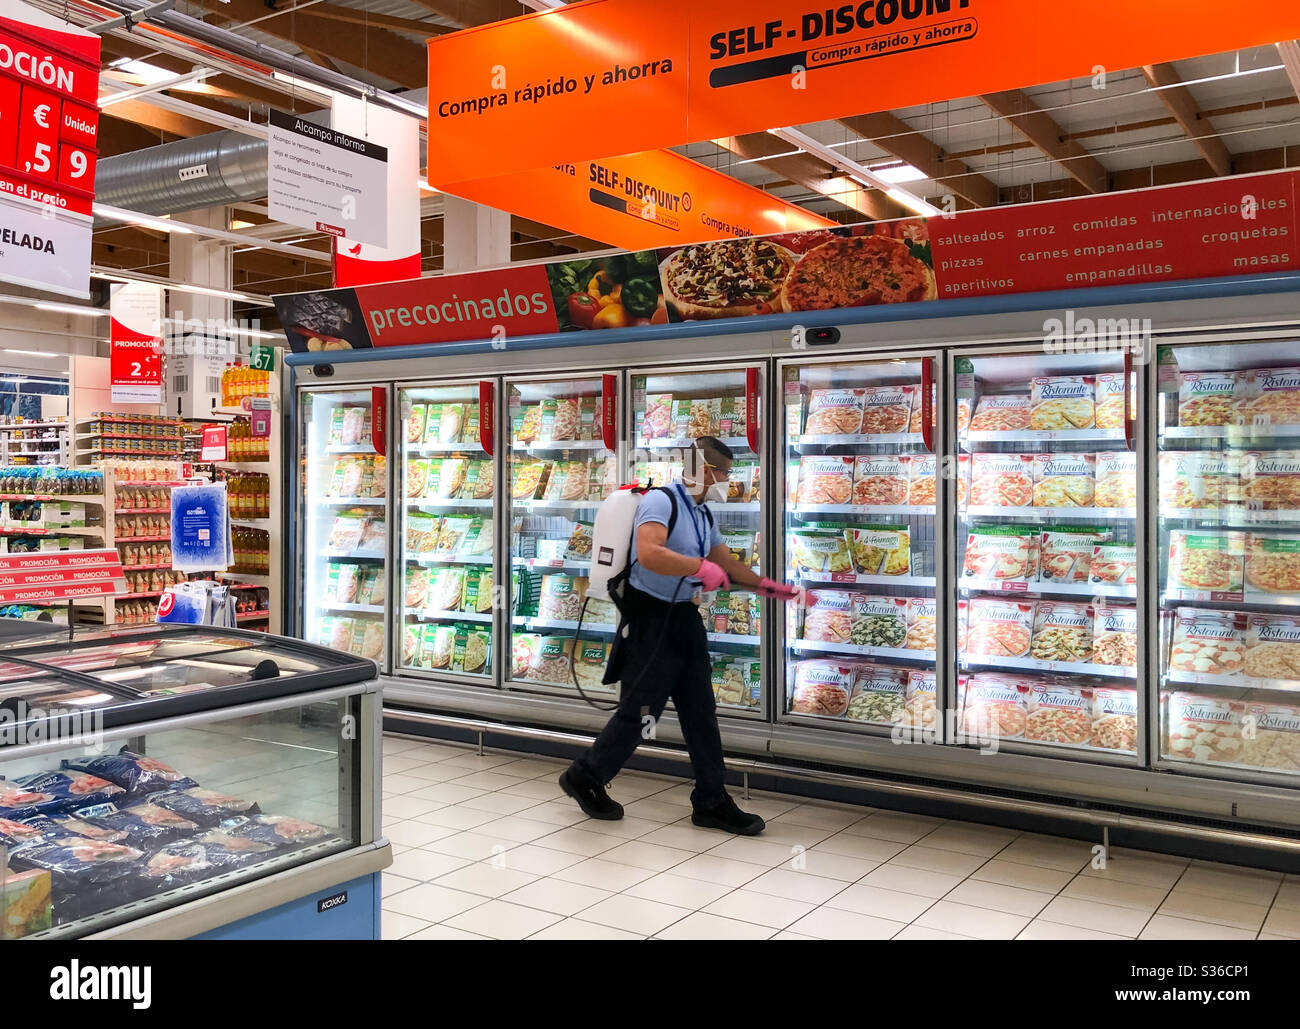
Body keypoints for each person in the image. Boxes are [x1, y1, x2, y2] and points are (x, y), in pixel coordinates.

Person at [559, 436, 800, 836]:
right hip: (650, 617)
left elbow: (729, 566)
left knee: (701, 709)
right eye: (725, 473)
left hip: (684, 617)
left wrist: (777, 590)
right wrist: (697, 567)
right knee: (641, 711)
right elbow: (650, 552)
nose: (727, 481)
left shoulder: (703, 514)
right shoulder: (661, 501)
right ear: (706, 470)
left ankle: (711, 799)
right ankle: (584, 775)